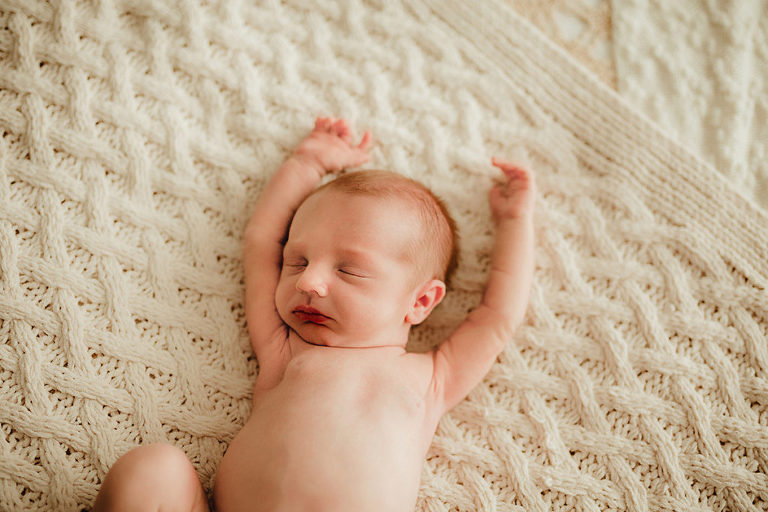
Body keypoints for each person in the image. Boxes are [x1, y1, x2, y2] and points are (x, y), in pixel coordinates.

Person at [92, 116, 535, 512]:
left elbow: (497, 316)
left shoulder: (434, 377)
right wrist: (306, 165)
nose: (308, 283)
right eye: (298, 261)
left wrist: (516, 221)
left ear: (419, 302)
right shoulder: (285, 348)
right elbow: (262, 240)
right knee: (153, 468)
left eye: (349, 270)